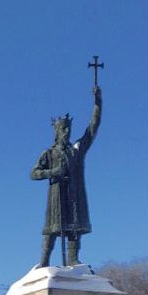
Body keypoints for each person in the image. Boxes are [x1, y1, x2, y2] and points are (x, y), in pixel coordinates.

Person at [31, 84, 102, 268]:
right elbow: (34, 173)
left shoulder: (77, 150)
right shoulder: (49, 153)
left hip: (74, 194)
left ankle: (72, 258)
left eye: (68, 129)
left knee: (74, 226)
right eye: (63, 129)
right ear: (56, 132)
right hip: (57, 195)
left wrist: (97, 104)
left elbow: (92, 130)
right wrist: (52, 172)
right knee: (52, 227)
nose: (67, 132)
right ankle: (44, 260)